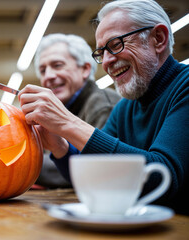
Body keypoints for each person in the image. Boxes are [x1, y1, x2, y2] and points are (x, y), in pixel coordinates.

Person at [18, 0, 189, 215]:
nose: (107, 61)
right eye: (101, 52)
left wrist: (66, 123)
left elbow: (163, 175)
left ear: (158, 39)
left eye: (115, 44)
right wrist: (60, 148)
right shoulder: (124, 108)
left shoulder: (185, 86)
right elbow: (97, 175)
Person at [33, 33, 121, 188]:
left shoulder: (103, 105)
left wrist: (19, 165)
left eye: (57, 65)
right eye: (42, 70)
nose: (48, 76)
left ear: (85, 69)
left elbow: (96, 168)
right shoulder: (56, 111)